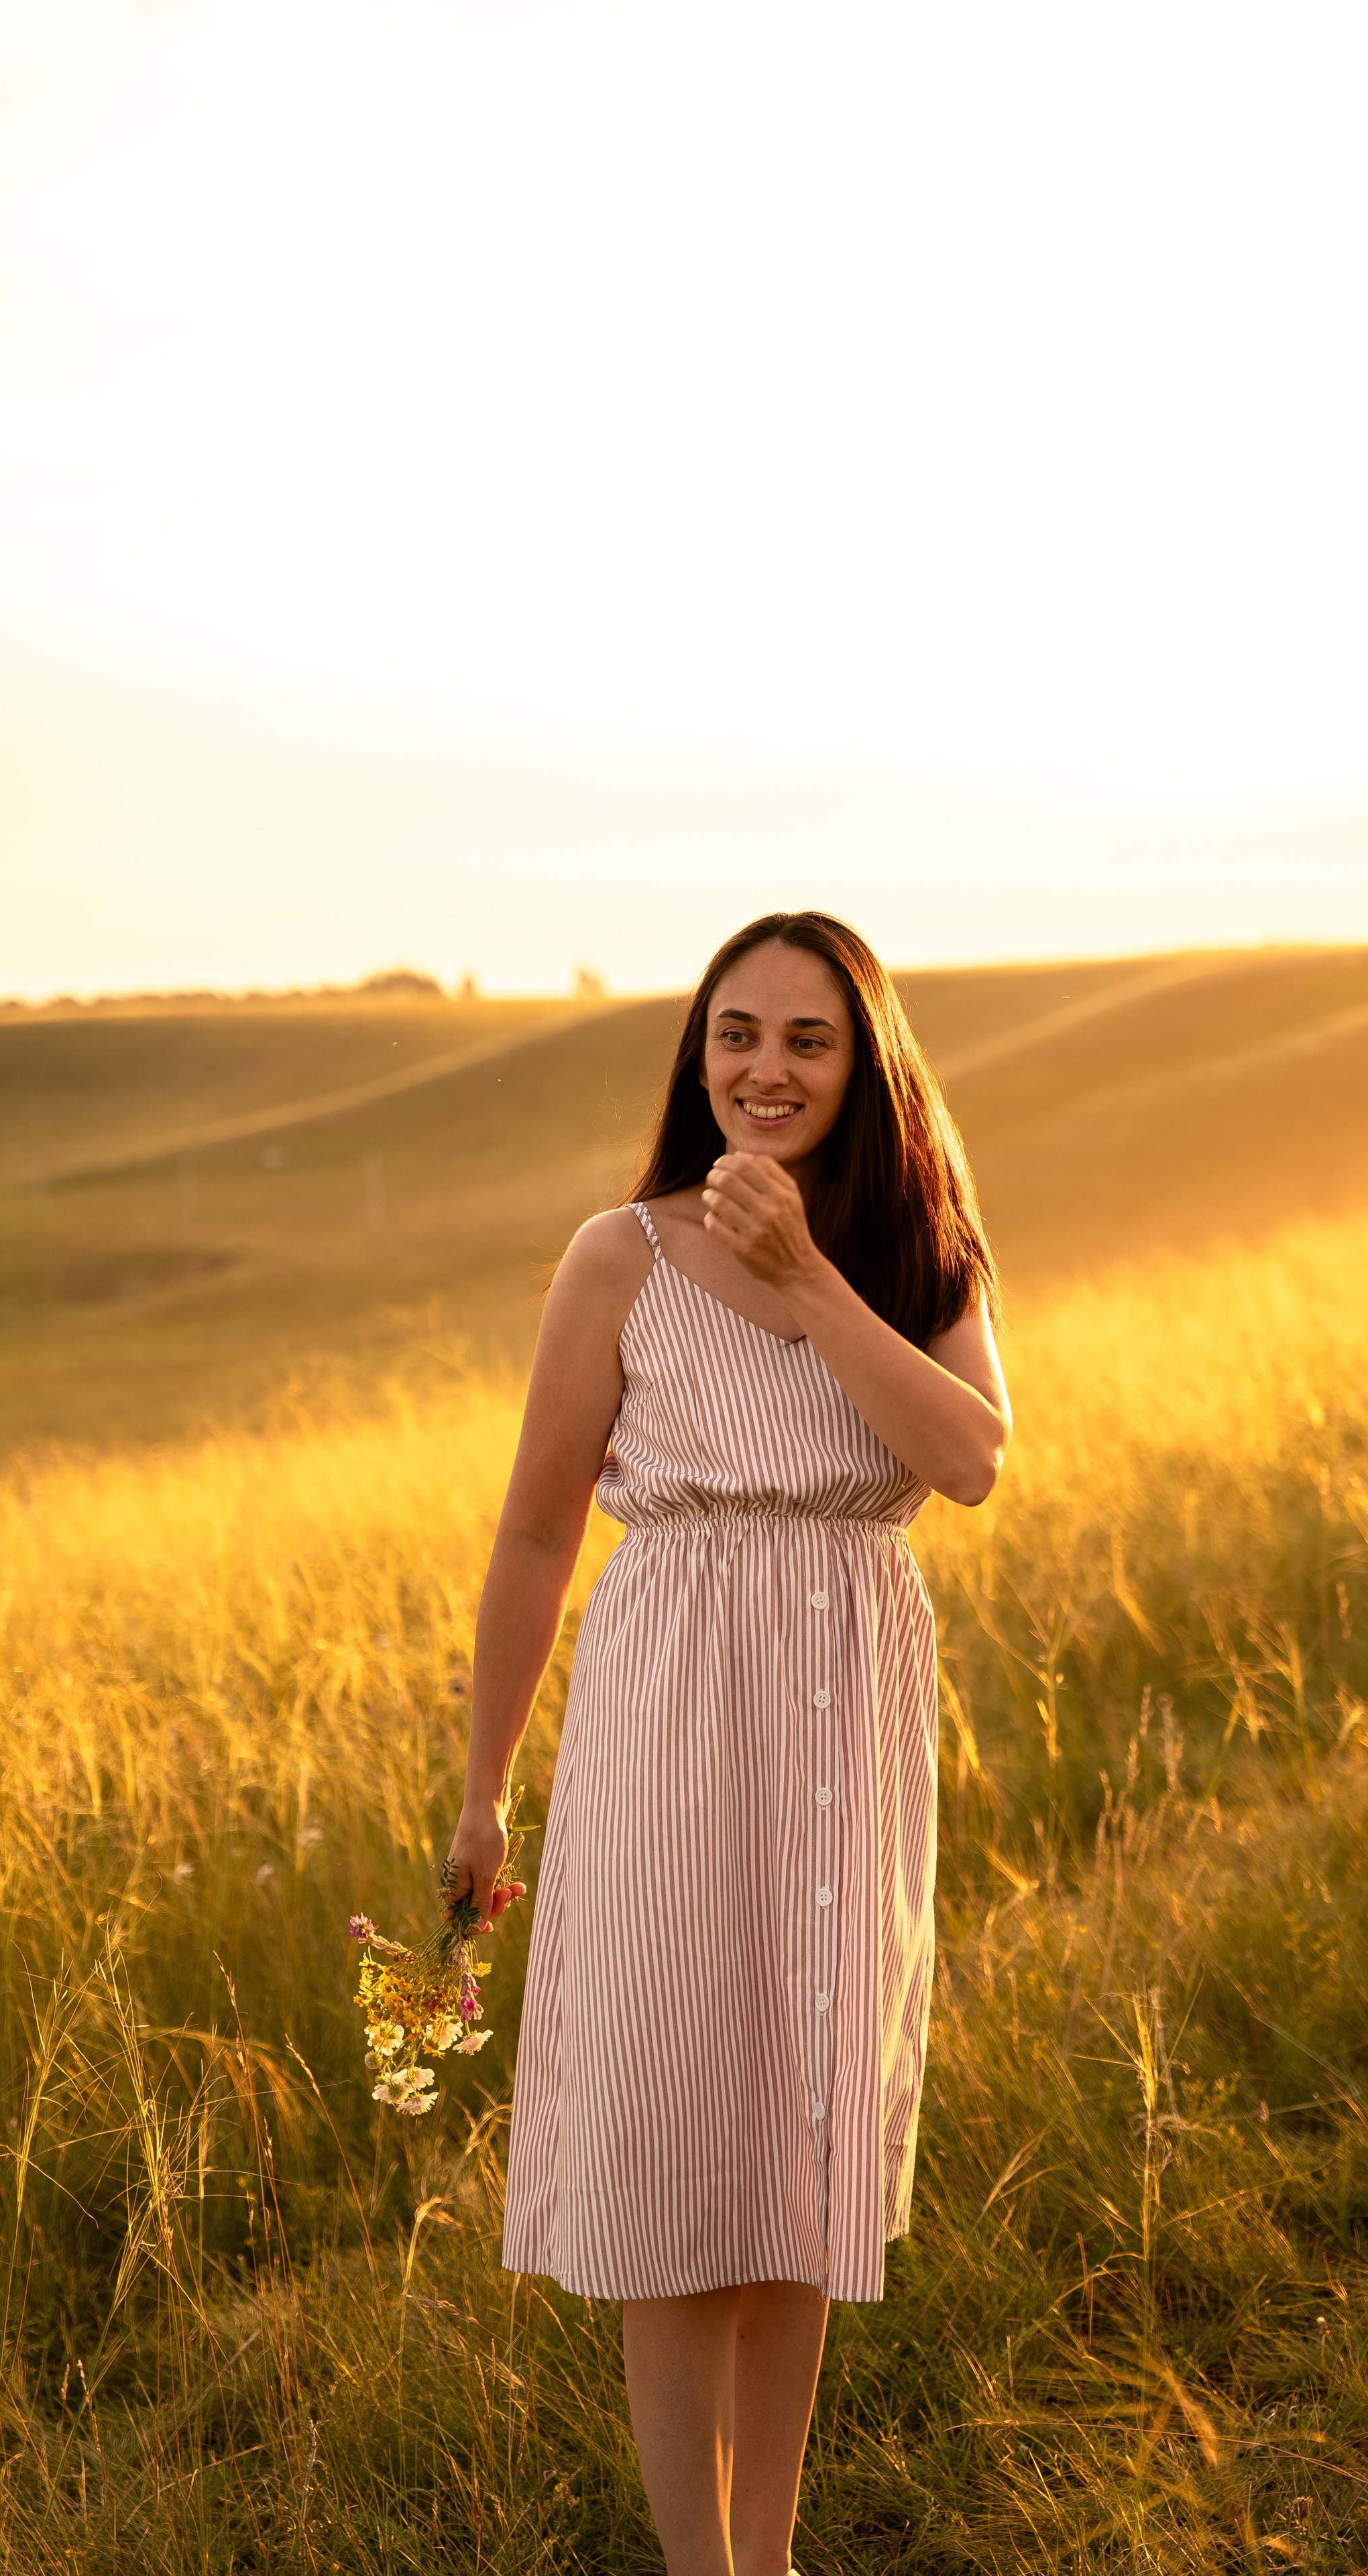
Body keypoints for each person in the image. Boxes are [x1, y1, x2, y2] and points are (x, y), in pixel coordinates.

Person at [443, 912, 1010, 2576]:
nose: (765, 1069)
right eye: (736, 1036)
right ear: (698, 1058)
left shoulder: (917, 1248)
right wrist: (483, 1789)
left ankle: (768, 2562)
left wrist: (806, 1276)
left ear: (864, 1064)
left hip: (846, 1724)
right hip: (665, 1723)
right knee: (678, 2151)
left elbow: (968, 1462)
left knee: (799, 2156)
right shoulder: (614, 1255)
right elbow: (537, 1537)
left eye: (807, 1040)